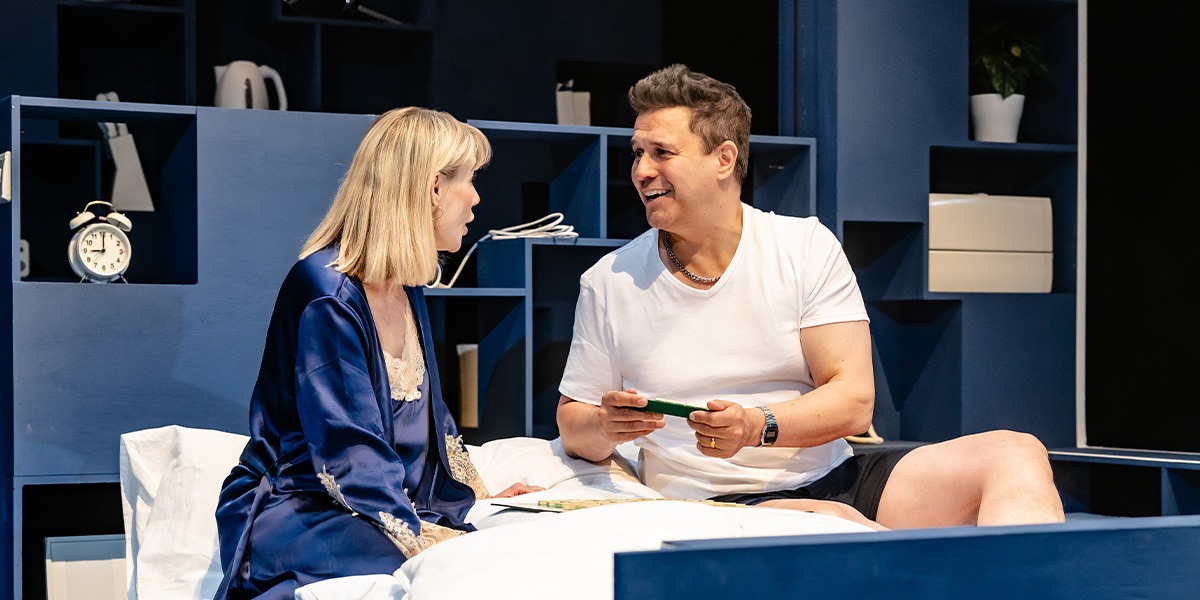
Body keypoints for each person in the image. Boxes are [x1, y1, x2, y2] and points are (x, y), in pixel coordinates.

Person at [556, 64, 1065, 531]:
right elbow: (573, 423)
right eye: (637, 154)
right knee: (836, 523)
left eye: (661, 153)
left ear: (724, 159)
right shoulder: (610, 280)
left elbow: (853, 401)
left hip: (837, 474)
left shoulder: (804, 245)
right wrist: (605, 424)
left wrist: (759, 426)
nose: (642, 170)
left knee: (1015, 452)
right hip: (713, 503)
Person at [214, 107, 541, 599]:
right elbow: (348, 448)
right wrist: (420, 538)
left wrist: (479, 498)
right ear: (433, 188)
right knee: (438, 569)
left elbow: (434, 422)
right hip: (299, 506)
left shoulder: (406, 287)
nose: (475, 199)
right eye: (469, 182)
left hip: (375, 503)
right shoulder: (327, 291)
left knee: (485, 550)